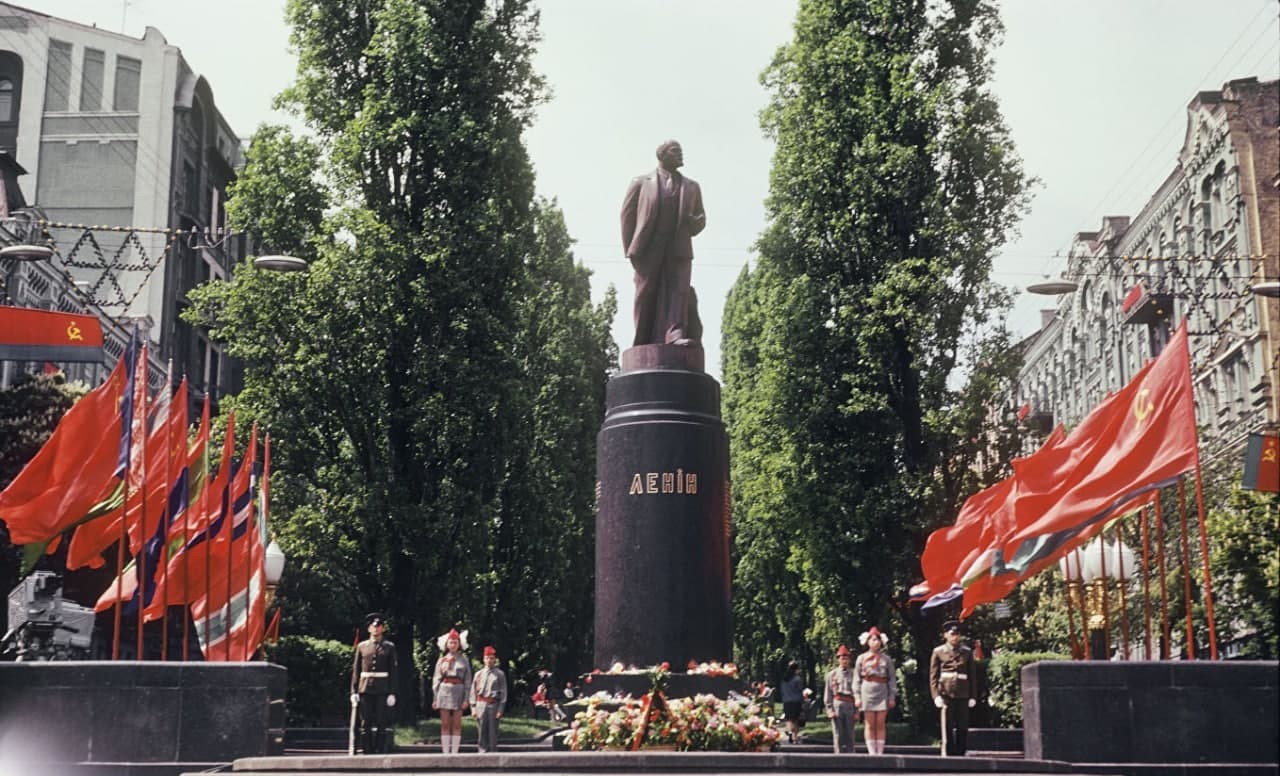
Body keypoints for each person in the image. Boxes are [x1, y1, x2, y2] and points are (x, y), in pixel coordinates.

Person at [619, 139, 707, 347]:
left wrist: (694, 222)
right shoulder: (640, 182)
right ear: (662, 155)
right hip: (648, 247)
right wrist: (631, 249)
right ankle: (642, 338)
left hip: (679, 247)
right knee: (645, 292)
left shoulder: (692, 186)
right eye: (675, 151)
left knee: (679, 291)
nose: (680, 155)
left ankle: (675, 334)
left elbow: (701, 217)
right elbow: (627, 216)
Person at [349, 612, 398, 754]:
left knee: (382, 720)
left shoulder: (389, 647)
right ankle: (367, 749)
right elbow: (356, 670)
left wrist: (392, 692)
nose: (376, 629)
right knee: (365, 721)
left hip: (382, 688)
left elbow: (393, 671)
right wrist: (354, 691)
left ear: (383, 628)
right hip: (365, 688)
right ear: (369, 628)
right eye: (373, 626)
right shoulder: (362, 646)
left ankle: (380, 749)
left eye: (379, 626)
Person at [930, 620, 977, 757]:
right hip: (946, 691)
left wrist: (973, 696)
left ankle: (961, 751)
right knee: (947, 724)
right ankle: (948, 751)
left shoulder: (967, 652)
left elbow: (972, 676)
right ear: (946, 635)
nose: (955, 637)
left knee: (963, 724)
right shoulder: (938, 651)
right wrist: (936, 695)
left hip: (963, 691)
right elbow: (933, 676)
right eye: (952, 634)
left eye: (957, 634)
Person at [853, 627, 898, 755]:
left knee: (880, 723)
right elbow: (857, 679)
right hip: (867, 690)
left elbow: (892, 679)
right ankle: (872, 752)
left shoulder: (886, 659)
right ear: (868, 642)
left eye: (878, 640)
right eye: (873, 639)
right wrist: (857, 696)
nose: (876, 642)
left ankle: (880, 751)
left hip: (882, 690)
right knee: (869, 723)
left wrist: (892, 696)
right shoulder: (861, 658)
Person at [433, 628, 473, 754]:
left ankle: (455, 751)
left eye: (455, 642)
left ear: (459, 644)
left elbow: (468, 680)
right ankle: (445, 751)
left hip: (459, 691)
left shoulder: (464, 660)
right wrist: (435, 697)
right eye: (451, 642)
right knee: (445, 723)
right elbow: (436, 679)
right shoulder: (441, 660)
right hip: (444, 691)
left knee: (456, 724)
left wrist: (467, 698)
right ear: (446, 644)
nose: (453, 645)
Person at [470, 645, 507, 753]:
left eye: (491, 658)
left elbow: (503, 693)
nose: (489, 660)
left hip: (493, 704)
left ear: (495, 659)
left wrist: (500, 709)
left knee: (493, 731)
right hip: (480, 704)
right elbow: (473, 692)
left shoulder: (499, 674)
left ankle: (493, 752)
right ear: (483, 659)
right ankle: (482, 752)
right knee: (481, 730)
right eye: (487, 658)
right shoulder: (478, 674)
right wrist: (473, 708)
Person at [823, 645, 857, 754]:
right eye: (842, 658)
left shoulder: (854, 674)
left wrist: (857, 711)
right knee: (838, 733)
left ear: (849, 660)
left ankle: (851, 756)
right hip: (837, 704)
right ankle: (838, 756)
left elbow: (858, 693)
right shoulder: (832, 675)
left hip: (850, 704)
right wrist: (829, 710)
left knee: (850, 733)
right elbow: (828, 694)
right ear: (838, 660)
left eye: (846, 658)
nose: (844, 661)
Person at [779, 660, 804, 744]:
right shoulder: (797, 679)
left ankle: (789, 731)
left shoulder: (784, 679)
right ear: (796, 669)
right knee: (796, 720)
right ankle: (795, 737)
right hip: (796, 701)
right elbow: (800, 690)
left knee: (789, 719)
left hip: (786, 701)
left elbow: (782, 691)